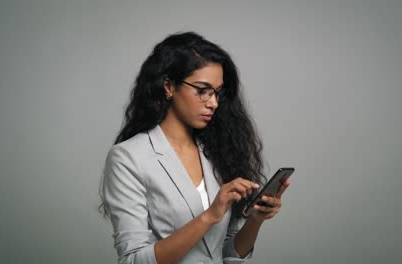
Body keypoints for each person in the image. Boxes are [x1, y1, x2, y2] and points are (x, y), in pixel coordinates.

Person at [99, 31, 291, 264]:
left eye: (217, 93)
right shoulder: (128, 158)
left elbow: (225, 253)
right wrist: (209, 216)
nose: (213, 103)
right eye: (203, 90)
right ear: (168, 87)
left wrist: (255, 219)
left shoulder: (217, 151)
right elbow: (134, 260)